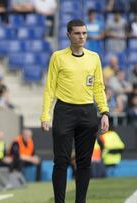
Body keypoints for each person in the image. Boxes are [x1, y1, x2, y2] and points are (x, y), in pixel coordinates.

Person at [40, 19, 110, 203]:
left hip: (88, 112)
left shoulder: (94, 57)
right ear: (68, 35)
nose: (81, 37)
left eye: (84, 33)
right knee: (61, 161)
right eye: (77, 33)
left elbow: (98, 87)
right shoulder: (58, 57)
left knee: (84, 163)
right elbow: (50, 88)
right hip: (64, 111)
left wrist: (104, 112)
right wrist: (45, 115)